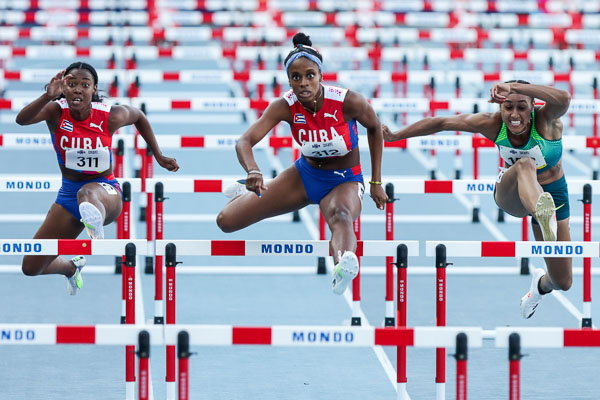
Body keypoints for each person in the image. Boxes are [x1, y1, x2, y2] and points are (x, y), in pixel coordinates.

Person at [382, 80, 572, 319]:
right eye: (508, 107)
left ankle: (540, 287)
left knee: (562, 281)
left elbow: (564, 98)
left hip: (553, 194)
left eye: (522, 107)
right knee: (526, 164)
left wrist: (515, 86)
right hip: (512, 193)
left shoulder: (546, 120)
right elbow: (442, 122)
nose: (514, 115)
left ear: (533, 106)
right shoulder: (492, 124)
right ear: (500, 107)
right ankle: (542, 215)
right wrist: (396, 136)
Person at [216, 33, 388, 295]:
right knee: (226, 222)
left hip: (344, 180)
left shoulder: (348, 101)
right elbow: (244, 141)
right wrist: (252, 170)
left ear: (320, 75)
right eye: (296, 78)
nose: (304, 83)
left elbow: (375, 128)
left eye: (310, 75)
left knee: (340, 216)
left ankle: (342, 267)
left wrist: (376, 182)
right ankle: (246, 188)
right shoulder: (284, 106)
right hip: (304, 176)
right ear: (289, 81)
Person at [16, 62, 179, 295]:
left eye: (85, 85)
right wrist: (46, 96)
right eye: (71, 84)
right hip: (68, 195)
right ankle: (72, 268)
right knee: (31, 267)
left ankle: (95, 224)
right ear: (64, 87)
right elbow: (22, 120)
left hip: (106, 192)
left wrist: (158, 155)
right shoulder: (55, 111)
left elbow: (139, 117)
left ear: (94, 89)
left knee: (88, 194)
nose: (78, 90)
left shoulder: (110, 115)